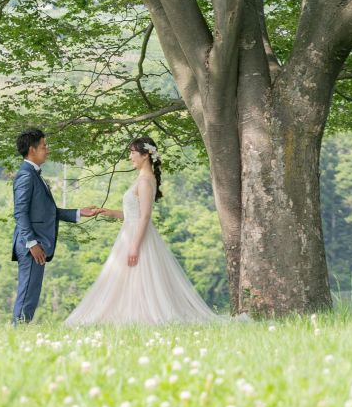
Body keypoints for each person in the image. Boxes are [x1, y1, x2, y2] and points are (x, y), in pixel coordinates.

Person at [64, 135, 216, 326]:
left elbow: (145, 216)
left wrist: (135, 245)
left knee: (139, 276)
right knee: (128, 278)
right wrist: (110, 212)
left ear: (145, 156)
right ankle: (130, 314)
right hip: (130, 233)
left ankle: (141, 315)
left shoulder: (145, 181)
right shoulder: (141, 178)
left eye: (133, 153)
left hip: (137, 237)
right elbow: (133, 215)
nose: (130, 157)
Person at [12, 126, 100, 325]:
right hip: (31, 246)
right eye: (44, 146)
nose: (47, 150)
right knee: (27, 292)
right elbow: (20, 212)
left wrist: (78, 213)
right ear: (32, 150)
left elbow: (48, 211)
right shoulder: (26, 175)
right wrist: (32, 243)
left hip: (35, 244)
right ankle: (17, 334)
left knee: (31, 292)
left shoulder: (34, 174)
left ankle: (20, 332)